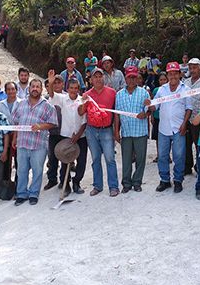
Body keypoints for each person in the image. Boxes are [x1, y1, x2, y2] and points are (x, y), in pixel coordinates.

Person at [146, 62, 192, 193]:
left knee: (178, 156)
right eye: (170, 74)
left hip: (178, 128)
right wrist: (150, 105)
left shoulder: (185, 90)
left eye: (175, 73)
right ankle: (165, 180)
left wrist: (184, 124)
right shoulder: (161, 90)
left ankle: (178, 180)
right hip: (163, 129)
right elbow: (155, 107)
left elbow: (189, 109)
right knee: (162, 156)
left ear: (179, 74)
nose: (173, 76)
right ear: (167, 75)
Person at [12, 79, 58, 206]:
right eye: (33, 86)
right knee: (21, 170)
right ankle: (21, 194)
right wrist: (14, 138)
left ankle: (33, 194)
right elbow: (16, 122)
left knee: (37, 171)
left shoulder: (47, 105)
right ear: (29, 88)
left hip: (39, 144)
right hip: (22, 143)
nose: (35, 89)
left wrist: (41, 126)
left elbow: (53, 123)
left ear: (41, 89)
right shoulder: (20, 104)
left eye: (38, 87)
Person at [78, 68, 120, 196]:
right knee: (96, 159)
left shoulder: (112, 93)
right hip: (91, 130)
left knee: (110, 159)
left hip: (106, 130)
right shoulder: (86, 94)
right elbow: (80, 112)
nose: (98, 79)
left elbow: (116, 114)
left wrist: (116, 131)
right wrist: (84, 103)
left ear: (104, 78)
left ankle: (113, 186)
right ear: (91, 80)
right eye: (95, 77)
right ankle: (98, 186)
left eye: (100, 76)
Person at [46, 70, 87, 194]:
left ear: (79, 89)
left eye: (76, 88)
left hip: (81, 137)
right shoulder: (62, 99)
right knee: (65, 161)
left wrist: (78, 135)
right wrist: (51, 83)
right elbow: (52, 95)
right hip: (65, 136)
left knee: (81, 161)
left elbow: (84, 121)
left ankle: (77, 183)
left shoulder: (82, 100)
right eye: (71, 88)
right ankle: (65, 184)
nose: (73, 90)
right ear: (67, 88)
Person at [114, 66, 151, 193]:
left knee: (140, 159)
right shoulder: (119, 95)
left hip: (140, 131)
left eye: (134, 77)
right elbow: (117, 115)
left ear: (137, 78)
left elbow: (149, 110)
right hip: (126, 132)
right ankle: (126, 183)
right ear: (125, 78)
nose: (131, 80)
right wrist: (116, 131)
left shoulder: (144, 93)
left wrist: (145, 114)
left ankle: (137, 182)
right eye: (129, 77)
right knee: (126, 159)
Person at [184, 58, 200, 175]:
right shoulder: (186, 82)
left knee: (199, 144)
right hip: (187, 117)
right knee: (186, 144)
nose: (192, 70)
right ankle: (187, 166)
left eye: (194, 67)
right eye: (190, 68)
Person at [0, 81, 23, 189]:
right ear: (5, 91)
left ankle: (18, 185)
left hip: (19, 135)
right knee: (6, 161)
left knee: (19, 162)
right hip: (5, 135)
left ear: (16, 91)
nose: (11, 91)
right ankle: (6, 185)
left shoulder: (22, 103)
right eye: (8, 89)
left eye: (13, 89)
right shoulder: (0, 104)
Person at [43, 75, 65, 191]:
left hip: (65, 131)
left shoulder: (68, 96)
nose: (57, 85)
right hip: (52, 132)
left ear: (63, 84)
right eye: (54, 83)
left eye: (59, 82)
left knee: (65, 157)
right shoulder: (47, 98)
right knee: (52, 158)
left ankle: (64, 180)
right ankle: (52, 179)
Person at [150, 72, 168, 162]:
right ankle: (159, 155)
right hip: (157, 116)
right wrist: (152, 116)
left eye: (164, 79)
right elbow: (153, 104)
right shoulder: (156, 90)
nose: (163, 81)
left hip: (166, 117)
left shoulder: (170, 90)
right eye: (161, 80)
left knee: (168, 137)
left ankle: (167, 155)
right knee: (157, 137)